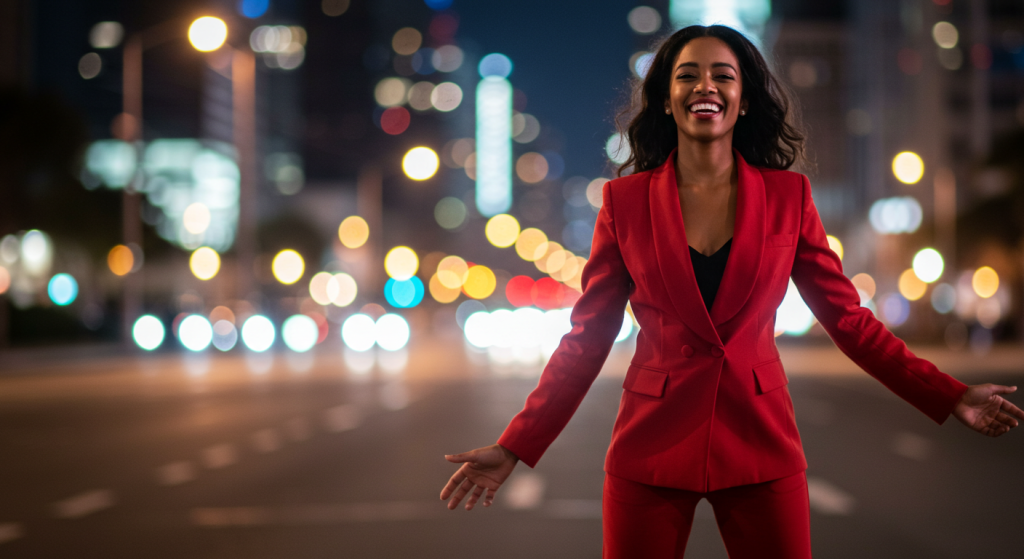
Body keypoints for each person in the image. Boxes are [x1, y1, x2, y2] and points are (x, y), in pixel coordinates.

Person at [439, 24, 1024, 558]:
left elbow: (850, 322)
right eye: (686, 75)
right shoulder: (624, 202)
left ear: (743, 99)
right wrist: (516, 445)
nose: (705, 86)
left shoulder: (789, 197)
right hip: (649, 448)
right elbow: (588, 338)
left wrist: (949, 395)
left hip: (762, 443)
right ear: (667, 98)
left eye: (724, 75)